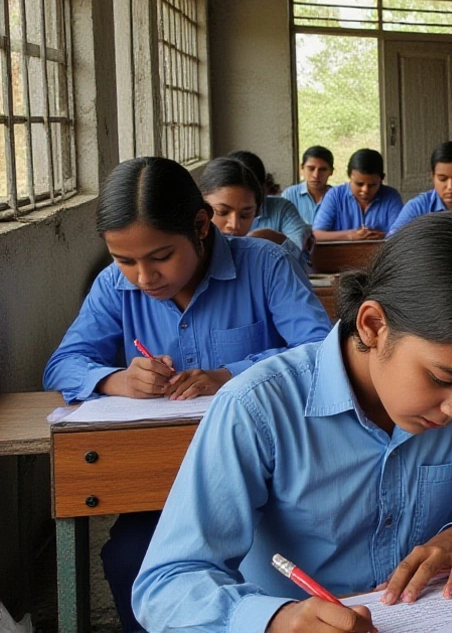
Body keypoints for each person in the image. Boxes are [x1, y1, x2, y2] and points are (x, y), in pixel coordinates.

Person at [133, 211, 452, 633]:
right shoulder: (257, 407)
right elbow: (167, 583)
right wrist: (274, 620)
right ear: (374, 325)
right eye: (441, 379)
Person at [43, 157, 330, 632]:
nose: (143, 277)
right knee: (129, 559)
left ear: (200, 226)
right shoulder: (115, 286)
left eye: (159, 257)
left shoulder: (266, 266)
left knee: (267, 563)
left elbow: (319, 352)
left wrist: (229, 374)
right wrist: (116, 380)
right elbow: (63, 363)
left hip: (265, 480)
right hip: (162, 481)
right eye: (125, 260)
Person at [199, 158, 308, 266]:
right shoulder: (188, 256)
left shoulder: (264, 262)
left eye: (245, 215)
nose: (234, 225)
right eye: (222, 212)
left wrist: (281, 242)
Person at [226, 150, 312, 253]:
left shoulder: (281, 208)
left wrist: (276, 239)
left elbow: (300, 251)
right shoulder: (211, 213)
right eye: (223, 212)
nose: (235, 225)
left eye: (246, 213)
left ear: (264, 188)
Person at [312, 148, 403, 241]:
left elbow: (402, 234)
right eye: (359, 184)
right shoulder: (335, 196)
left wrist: (383, 236)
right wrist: (350, 235)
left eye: (372, 185)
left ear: (382, 179)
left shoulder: (391, 197)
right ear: (349, 176)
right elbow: (317, 235)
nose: (365, 190)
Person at [281, 145, 335, 225]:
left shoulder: (338, 198)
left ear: (331, 172)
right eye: (311, 169)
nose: (316, 175)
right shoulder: (289, 195)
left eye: (322, 170)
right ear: (301, 168)